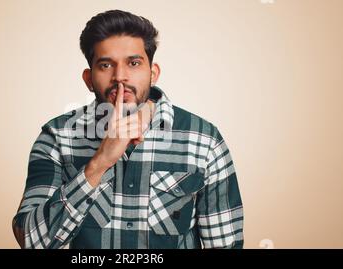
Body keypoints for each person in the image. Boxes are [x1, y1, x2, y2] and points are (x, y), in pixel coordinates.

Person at [12, 9, 243, 249]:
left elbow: (225, 245)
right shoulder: (58, 137)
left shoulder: (204, 140)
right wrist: (99, 163)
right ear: (89, 79)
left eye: (133, 63)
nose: (120, 77)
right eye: (105, 65)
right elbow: (30, 241)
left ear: (153, 73)